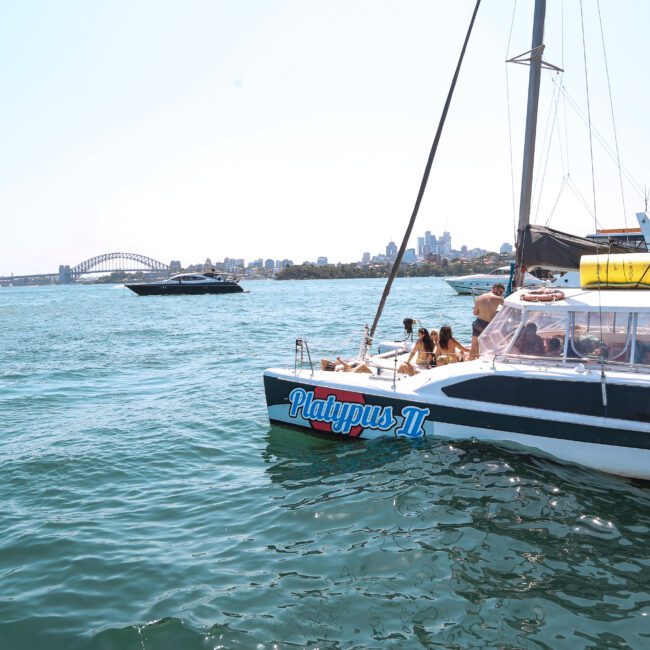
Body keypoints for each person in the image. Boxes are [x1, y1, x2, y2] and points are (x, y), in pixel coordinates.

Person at [470, 283, 505, 359]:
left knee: (474, 346)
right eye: (501, 292)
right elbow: (504, 314)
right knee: (490, 348)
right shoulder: (500, 299)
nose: (501, 294)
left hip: (478, 323)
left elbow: (475, 313)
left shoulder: (479, 298)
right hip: (488, 326)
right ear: (495, 288)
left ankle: (471, 361)